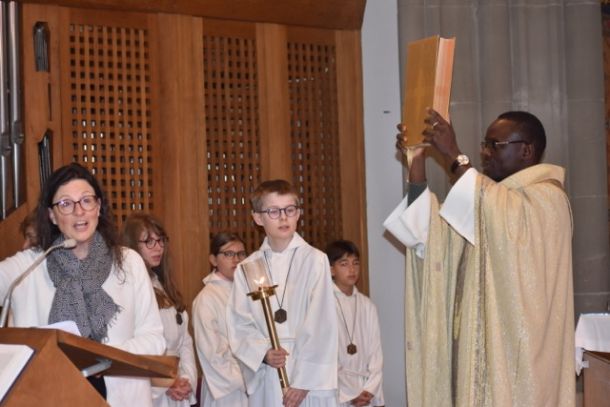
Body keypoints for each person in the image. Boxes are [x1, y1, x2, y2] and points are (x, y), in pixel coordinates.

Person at [384, 109, 574, 406]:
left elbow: (499, 215)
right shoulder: (491, 205)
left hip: (520, 369)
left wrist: (454, 155)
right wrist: (417, 159)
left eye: (494, 145)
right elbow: (431, 235)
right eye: (484, 145)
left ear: (526, 150)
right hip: (474, 359)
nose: (484, 153)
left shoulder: (548, 199)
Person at [0, 162, 166, 407]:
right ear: (52, 215)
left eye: (87, 200)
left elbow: (154, 339)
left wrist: (100, 357)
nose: (79, 211)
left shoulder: (129, 262)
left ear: (98, 207)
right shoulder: (30, 265)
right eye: (66, 204)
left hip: (121, 397)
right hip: (50, 396)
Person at [227, 179, 339, 407]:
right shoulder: (249, 267)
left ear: (298, 214)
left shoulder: (315, 260)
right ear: (258, 218)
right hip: (270, 374)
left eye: (290, 209)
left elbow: (322, 323)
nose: (283, 217)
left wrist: (303, 381)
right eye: (274, 211)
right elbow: (239, 323)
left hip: (310, 378)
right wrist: (263, 353)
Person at [123, 213, 197, 407]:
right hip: (152, 388)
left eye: (161, 240)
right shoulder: (128, 289)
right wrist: (164, 383)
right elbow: (134, 349)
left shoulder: (163, 284)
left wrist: (186, 379)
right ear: (132, 246)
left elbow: (185, 341)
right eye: (149, 242)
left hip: (177, 381)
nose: (158, 248)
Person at [192, 232, 249, 407]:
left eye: (241, 254)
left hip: (254, 382)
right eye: (228, 254)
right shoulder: (206, 298)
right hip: (228, 391)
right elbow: (212, 353)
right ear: (213, 260)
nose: (236, 260)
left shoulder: (249, 291)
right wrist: (246, 379)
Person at [325, 240, 384, 407]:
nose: (352, 270)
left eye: (355, 263)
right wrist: (348, 394)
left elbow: (376, 354)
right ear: (331, 269)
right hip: (337, 391)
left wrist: (370, 389)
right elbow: (325, 355)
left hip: (366, 391)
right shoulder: (324, 304)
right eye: (344, 264)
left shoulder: (367, 305)